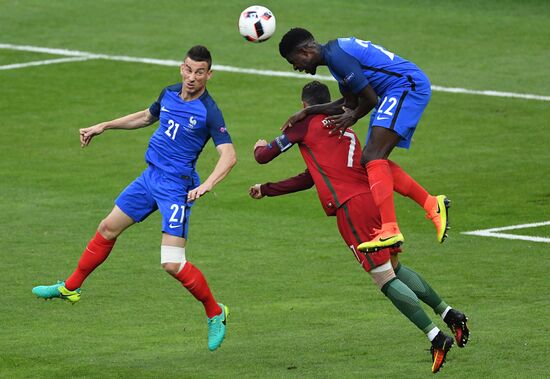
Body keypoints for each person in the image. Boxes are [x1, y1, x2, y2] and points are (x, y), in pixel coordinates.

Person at [249, 81, 468, 373]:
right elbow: (311, 177)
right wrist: (267, 189)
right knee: (394, 267)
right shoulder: (343, 123)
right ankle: (449, 313)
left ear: (305, 106)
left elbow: (264, 156)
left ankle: (436, 336)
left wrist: (260, 146)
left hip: (351, 207)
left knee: (384, 279)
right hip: (373, 196)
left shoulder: (305, 124)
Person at [32, 45, 236, 352]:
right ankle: (70, 288)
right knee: (107, 229)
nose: (192, 77)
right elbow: (145, 116)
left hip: (176, 188)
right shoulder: (168, 93)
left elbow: (229, 155)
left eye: (199, 72)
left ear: (210, 74)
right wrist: (104, 126)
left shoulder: (210, 111)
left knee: (172, 264)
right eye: (188, 69)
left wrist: (207, 183)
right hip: (150, 178)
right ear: (181, 68)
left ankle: (215, 312)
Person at [278, 28, 450, 252]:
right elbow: (348, 103)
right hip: (395, 90)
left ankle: (390, 228)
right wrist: (308, 112)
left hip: (405, 87)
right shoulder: (334, 58)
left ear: (305, 51)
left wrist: (354, 116)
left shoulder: (337, 58)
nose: (296, 67)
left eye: (294, 61)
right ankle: (430, 203)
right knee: (369, 161)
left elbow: (369, 99)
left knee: (372, 157)